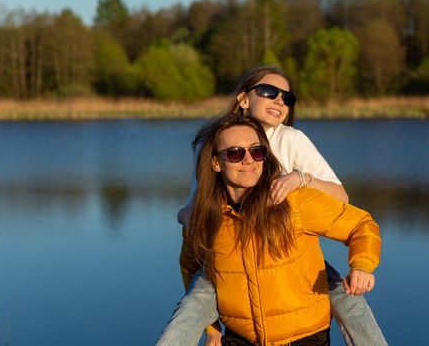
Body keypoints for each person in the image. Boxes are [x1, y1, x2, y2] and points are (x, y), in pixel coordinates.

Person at [156, 66, 387, 346]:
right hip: (231, 247)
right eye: (269, 92)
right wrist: (188, 215)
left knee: (347, 300)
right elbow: (197, 199)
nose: (279, 101)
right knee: (193, 303)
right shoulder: (210, 142)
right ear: (243, 99)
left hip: (285, 246)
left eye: (287, 98)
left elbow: (343, 202)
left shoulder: (290, 140)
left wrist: (300, 180)